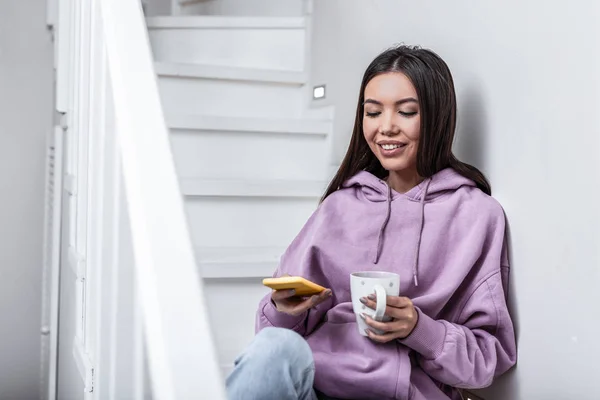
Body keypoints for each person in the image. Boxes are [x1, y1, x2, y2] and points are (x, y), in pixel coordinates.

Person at [226, 45, 517, 400]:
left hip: (406, 392)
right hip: (318, 384)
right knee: (273, 347)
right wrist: (282, 309)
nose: (386, 128)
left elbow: (488, 358)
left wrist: (418, 328)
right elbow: (272, 333)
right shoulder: (339, 207)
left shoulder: (477, 215)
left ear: (438, 117)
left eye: (406, 112)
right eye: (373, 112)